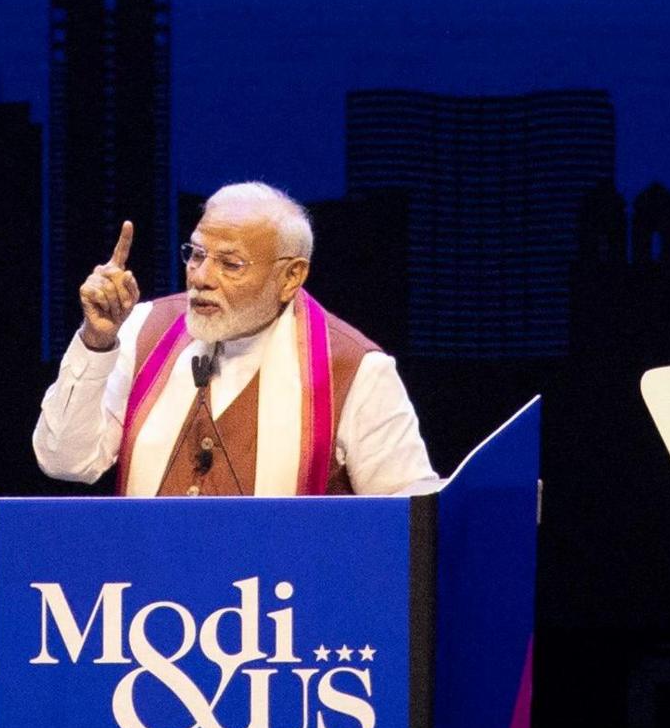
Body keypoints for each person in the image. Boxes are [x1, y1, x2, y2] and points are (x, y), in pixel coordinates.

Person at [33, 182, 436, 496]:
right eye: (196, 254)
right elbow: (64, 461)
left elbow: (409, 525)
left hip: (281, 599)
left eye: (230, 264)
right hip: (147, 596)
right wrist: (97, 342)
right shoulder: (143, 328)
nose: (201, 277)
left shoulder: (356, 369)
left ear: (291, 277)